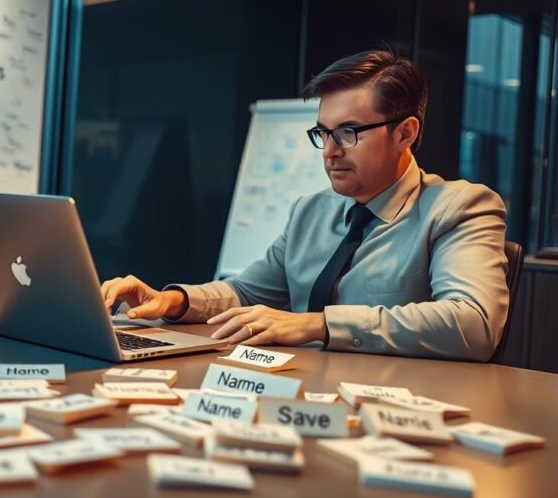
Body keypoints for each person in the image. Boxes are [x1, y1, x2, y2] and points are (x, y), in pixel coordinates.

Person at [101, 50, 509, 362]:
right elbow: (246, 291)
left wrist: (317, 324)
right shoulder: (310, 211)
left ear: (405, 133)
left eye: (348, 132)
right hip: (300, 389)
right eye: (323, 133)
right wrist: (173, 301)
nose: (329, 152)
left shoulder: (459, 207)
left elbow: (473, 323)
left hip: (398, 408)